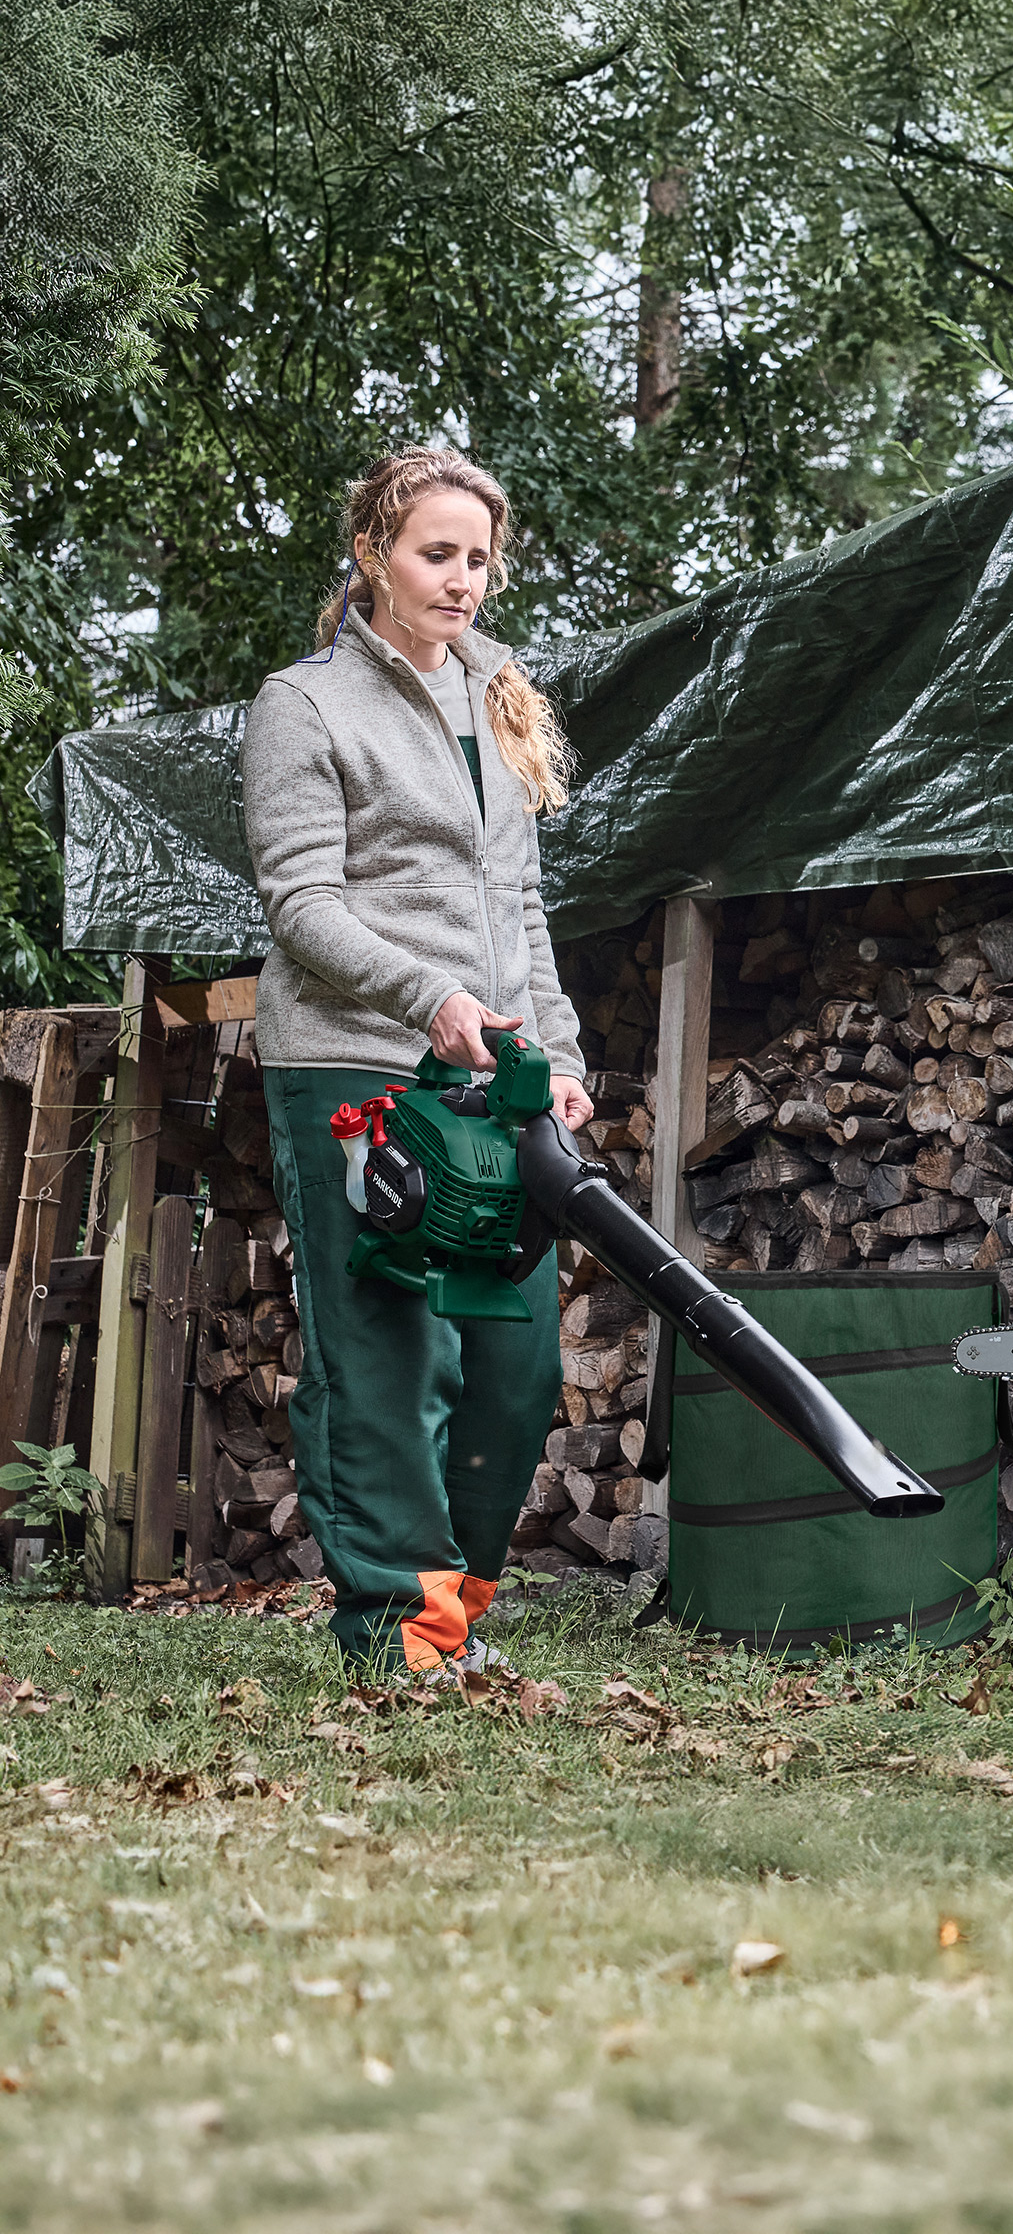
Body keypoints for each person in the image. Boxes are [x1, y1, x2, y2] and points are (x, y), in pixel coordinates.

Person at [241, 448, 593, 1676]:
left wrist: (552, 1051)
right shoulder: (308, 704)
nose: (462, 580)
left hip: (489, 1072)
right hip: (356, 1065)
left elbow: (520, 903)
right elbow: (301, 906)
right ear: (372, 559)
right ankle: (404, 1629)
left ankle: (462, 1607)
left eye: (478, 558)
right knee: (388, 1348)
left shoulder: (497, 692)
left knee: (516, 1349)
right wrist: (425, 993)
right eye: (436, 553)